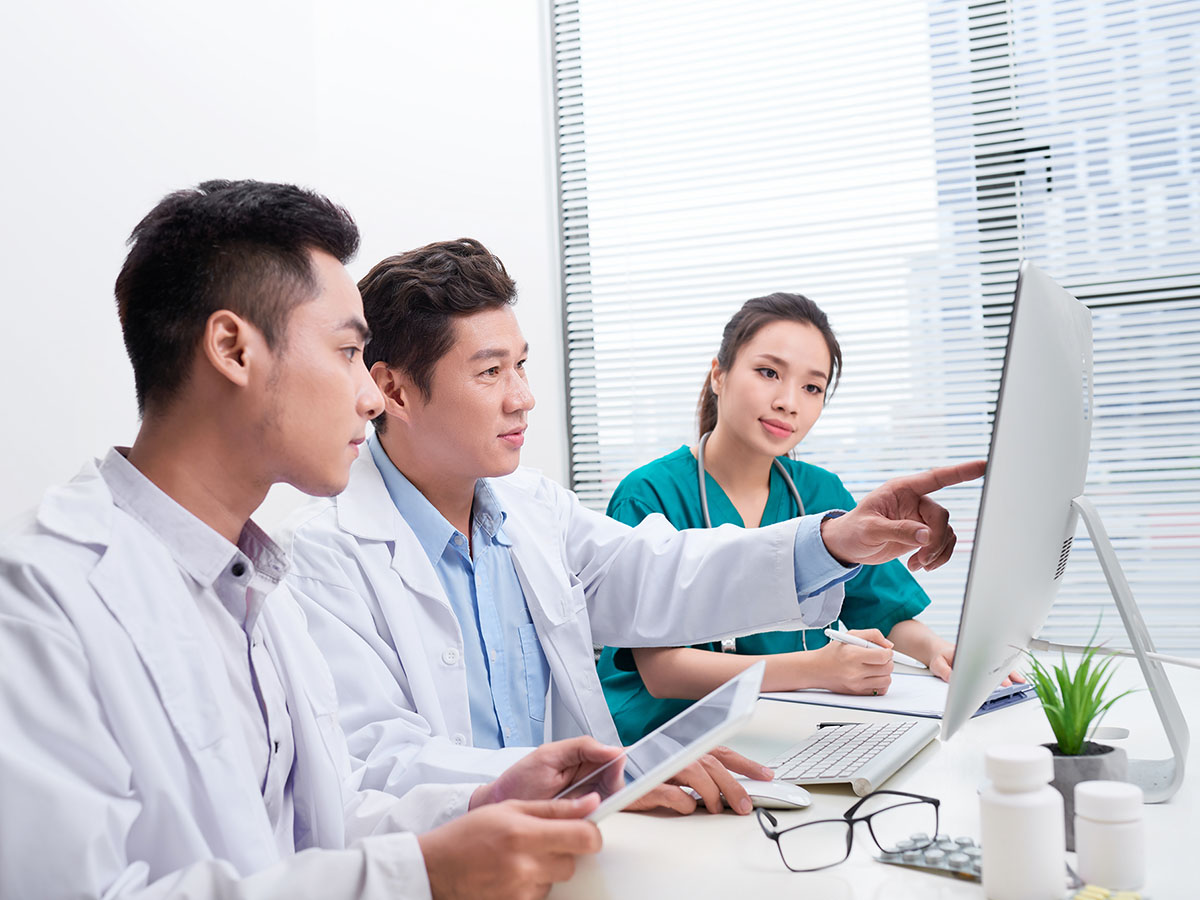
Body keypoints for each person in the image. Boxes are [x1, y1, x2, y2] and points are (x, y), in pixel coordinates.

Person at [0, 181, 639, 900]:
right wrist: (420, 876)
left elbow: (320, 830)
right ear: (233, 349)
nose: (371, 397)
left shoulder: (253, 584)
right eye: (345, 353)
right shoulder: (38, 602)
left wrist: (480, 803)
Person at [282, 239, 984, 814]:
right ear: (395, 390)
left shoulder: (532, 511)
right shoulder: (323, 556)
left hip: (582, 837)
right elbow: (378, 761)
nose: (523, 399)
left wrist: (834, 541)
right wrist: (582, 777)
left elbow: (667, 574)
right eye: (491, 372)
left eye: (521, 366)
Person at [595, 292, 989, 744]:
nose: (788, 402)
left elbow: (882, 607)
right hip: (665, 745)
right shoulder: (649, 495)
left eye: (812, 387)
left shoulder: (820, 493)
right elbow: (662, 672)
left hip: (781, 730)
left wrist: (938, 650)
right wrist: (818, 669)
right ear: (718, 375)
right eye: (768, 373)